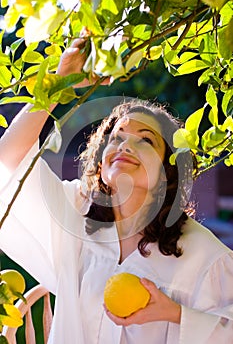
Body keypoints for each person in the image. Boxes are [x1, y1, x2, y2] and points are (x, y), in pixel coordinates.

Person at [0, 36, 233, 344]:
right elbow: (8, 160)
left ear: (167, 171)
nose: (125, 145)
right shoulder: (76, 216)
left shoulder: (202, 256)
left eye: (145, 140)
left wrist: (176, 313)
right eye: (117, 136)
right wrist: (59, 83)